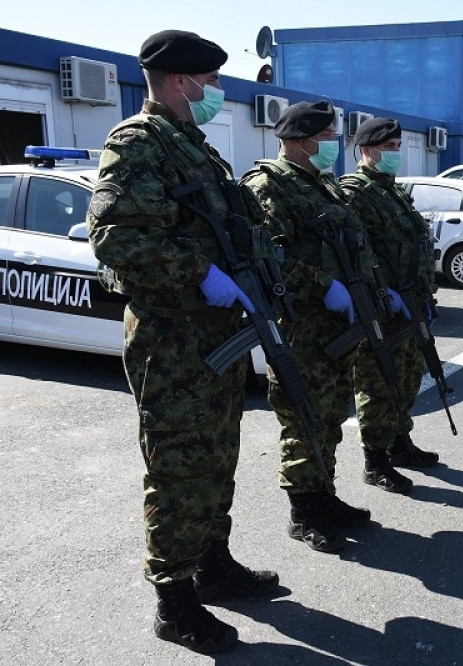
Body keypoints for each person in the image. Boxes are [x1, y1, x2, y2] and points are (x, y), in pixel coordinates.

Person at [86, 30, 277, 655]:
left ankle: (213, 564)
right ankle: (174, 601)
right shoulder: (137, 145)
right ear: (179, 82)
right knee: (177, 468)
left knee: (217, 456)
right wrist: (202, 274)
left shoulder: (193, 147)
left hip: (214, 338)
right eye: (210, 83)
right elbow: (117, 242)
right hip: (172, 346)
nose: (216, 93)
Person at [241, 100, 377, 553]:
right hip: (301, 327)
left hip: (335, 327)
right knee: (302, 419)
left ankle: (325, 495)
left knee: (331, 415)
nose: (333, 145)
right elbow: (272, 258)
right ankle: (303, 512)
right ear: (299, 140)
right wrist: (324, 287)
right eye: (326, 138)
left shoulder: (322, 185)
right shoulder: (268, 185)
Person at [339, 117, 439, 495]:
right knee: (378, 381)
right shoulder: (354, 192)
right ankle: (375, 459)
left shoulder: (392, 191)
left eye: (398, 146)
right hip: (382, 305)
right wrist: (384, 292)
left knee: (409, 376)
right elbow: (358, 254)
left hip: (411, 300)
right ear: (367, 150)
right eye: (390, 147)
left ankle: (400, 442)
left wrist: (425, 294)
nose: (397, 153)